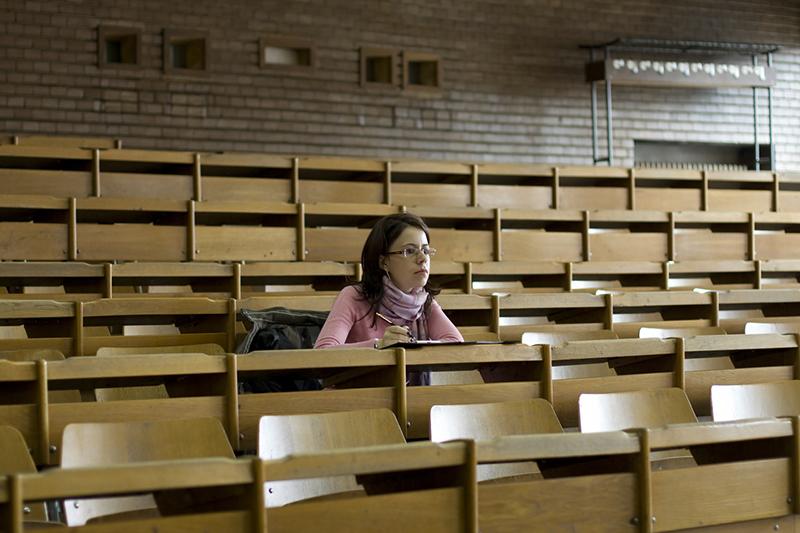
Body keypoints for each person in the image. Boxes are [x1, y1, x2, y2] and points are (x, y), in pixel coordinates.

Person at [315, 212, 463, 349]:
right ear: (383, 262)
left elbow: (456, 344)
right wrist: (379, 346)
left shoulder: (424, 303)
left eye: (425, 250)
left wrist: (413, 346)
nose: (423, 258)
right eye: (410, 251)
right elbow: (323, 351)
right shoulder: (353, 296)